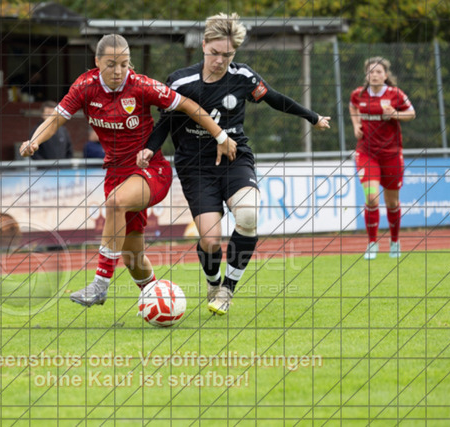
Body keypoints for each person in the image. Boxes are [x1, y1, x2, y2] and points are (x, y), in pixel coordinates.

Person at [20, 34, 237, 307]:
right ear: (97, 62)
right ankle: (160, 302)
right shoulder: (85, 87)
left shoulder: (141, 85)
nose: (119, 71)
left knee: (115, 203)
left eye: (124, 64)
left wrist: (221, 136)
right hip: (116, 175)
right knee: (132, 257)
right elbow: (55, 119)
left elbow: (187, 105)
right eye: (111, 64)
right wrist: (34, 141)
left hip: (151, 170)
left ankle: (100, 285)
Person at [137, 12, 331, 316]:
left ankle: (227, 288)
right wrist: (150, 147)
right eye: (215, 52)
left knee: (249, 214)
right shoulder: (181, 81)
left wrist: (313, 117)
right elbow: (165, 121)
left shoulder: (243, 77)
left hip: (234, 158)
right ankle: (213, 282)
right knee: (210, 239)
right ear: (203, 45)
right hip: (195, 166)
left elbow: (275, 98)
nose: (220, 60)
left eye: (227, 55)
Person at [349, 56, 416, 260]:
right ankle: (372, 244)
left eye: (378, 71)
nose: (375, 75)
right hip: (366, 153)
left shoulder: (395, 94)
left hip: (391, 155)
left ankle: (394, 242)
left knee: (392, 202)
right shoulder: (358, 94)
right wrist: (356, 125)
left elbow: (412, 114)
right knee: (371, 197)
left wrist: (395, 114)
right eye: (371, 71)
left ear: (385, 75)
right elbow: (352, 106)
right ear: (366, 75)